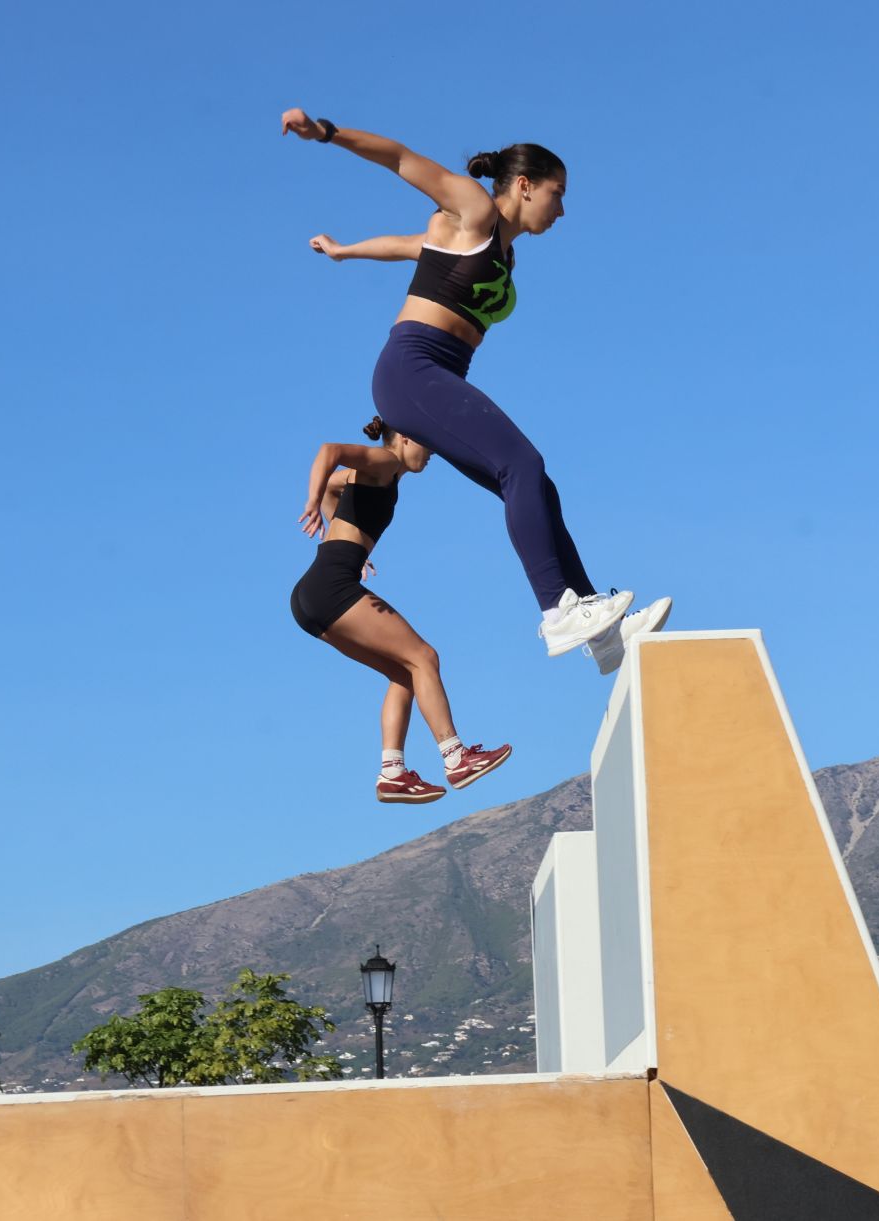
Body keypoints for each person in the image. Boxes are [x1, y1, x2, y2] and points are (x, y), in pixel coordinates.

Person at [280, 108, 671, 667]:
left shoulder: (500, 252)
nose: (562, 208)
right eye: (557, 193)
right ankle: (558, 615)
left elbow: (405, 245)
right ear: (524, 184)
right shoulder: (474, 210)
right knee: (523, 464)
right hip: (410, 369)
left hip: (437, 378)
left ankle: (598, 628)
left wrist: (346, 251)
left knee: (537, 486)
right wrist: (327, 133)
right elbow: (398, 158)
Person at [292, 415, 511, 804]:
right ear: (406, 439)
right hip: (331, 586)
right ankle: (456, 756)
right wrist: (313, 507)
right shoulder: (387, 462)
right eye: (427, 445)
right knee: (424, 657)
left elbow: (332, 483)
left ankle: (392, 772)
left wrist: (338, 542)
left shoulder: (385, 476)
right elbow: (330, 452)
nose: (430, 457)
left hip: (316, 592)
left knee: (405, 672)